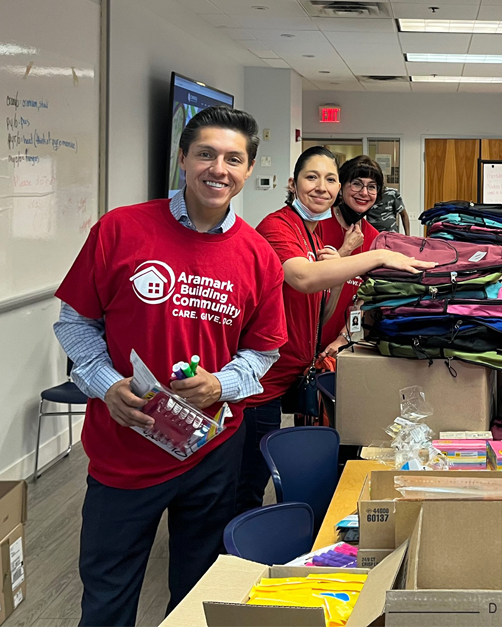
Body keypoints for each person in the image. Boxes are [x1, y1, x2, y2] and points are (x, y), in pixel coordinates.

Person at [53, 105, 288, 626]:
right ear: (183, 159)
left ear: (248, 170)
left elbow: (263, 352)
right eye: (205, 154)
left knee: (196, 592)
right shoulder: (120, 229)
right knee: (107, 595)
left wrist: (221, 384)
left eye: (232, 159)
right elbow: (74, 323)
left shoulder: (257, 255)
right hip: (122, 450)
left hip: (210, 451)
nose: (217, 169)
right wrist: (105, 384)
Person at [235, 147, 434, 515]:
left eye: (329, 179)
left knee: (289, 462)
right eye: (312, 178)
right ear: (293, 184)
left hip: (303, 364)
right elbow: (303, 278)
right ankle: (235, 556)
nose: (322, 187)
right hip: (263, 374)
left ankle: (279, 527)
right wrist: (373, 255)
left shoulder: (313, 233)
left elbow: (346, 298)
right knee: (245, 479)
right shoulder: (279, 226)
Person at [317, 155, 384, 353]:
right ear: (341, 187)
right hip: (305, 337)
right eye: (356, 184)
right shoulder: (319, 223)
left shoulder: (374, 237)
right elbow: (313, 282)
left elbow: (364, 297)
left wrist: (343, 337)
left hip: (337, 345)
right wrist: (346, 250)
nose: (364, 193)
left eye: (372, 186)